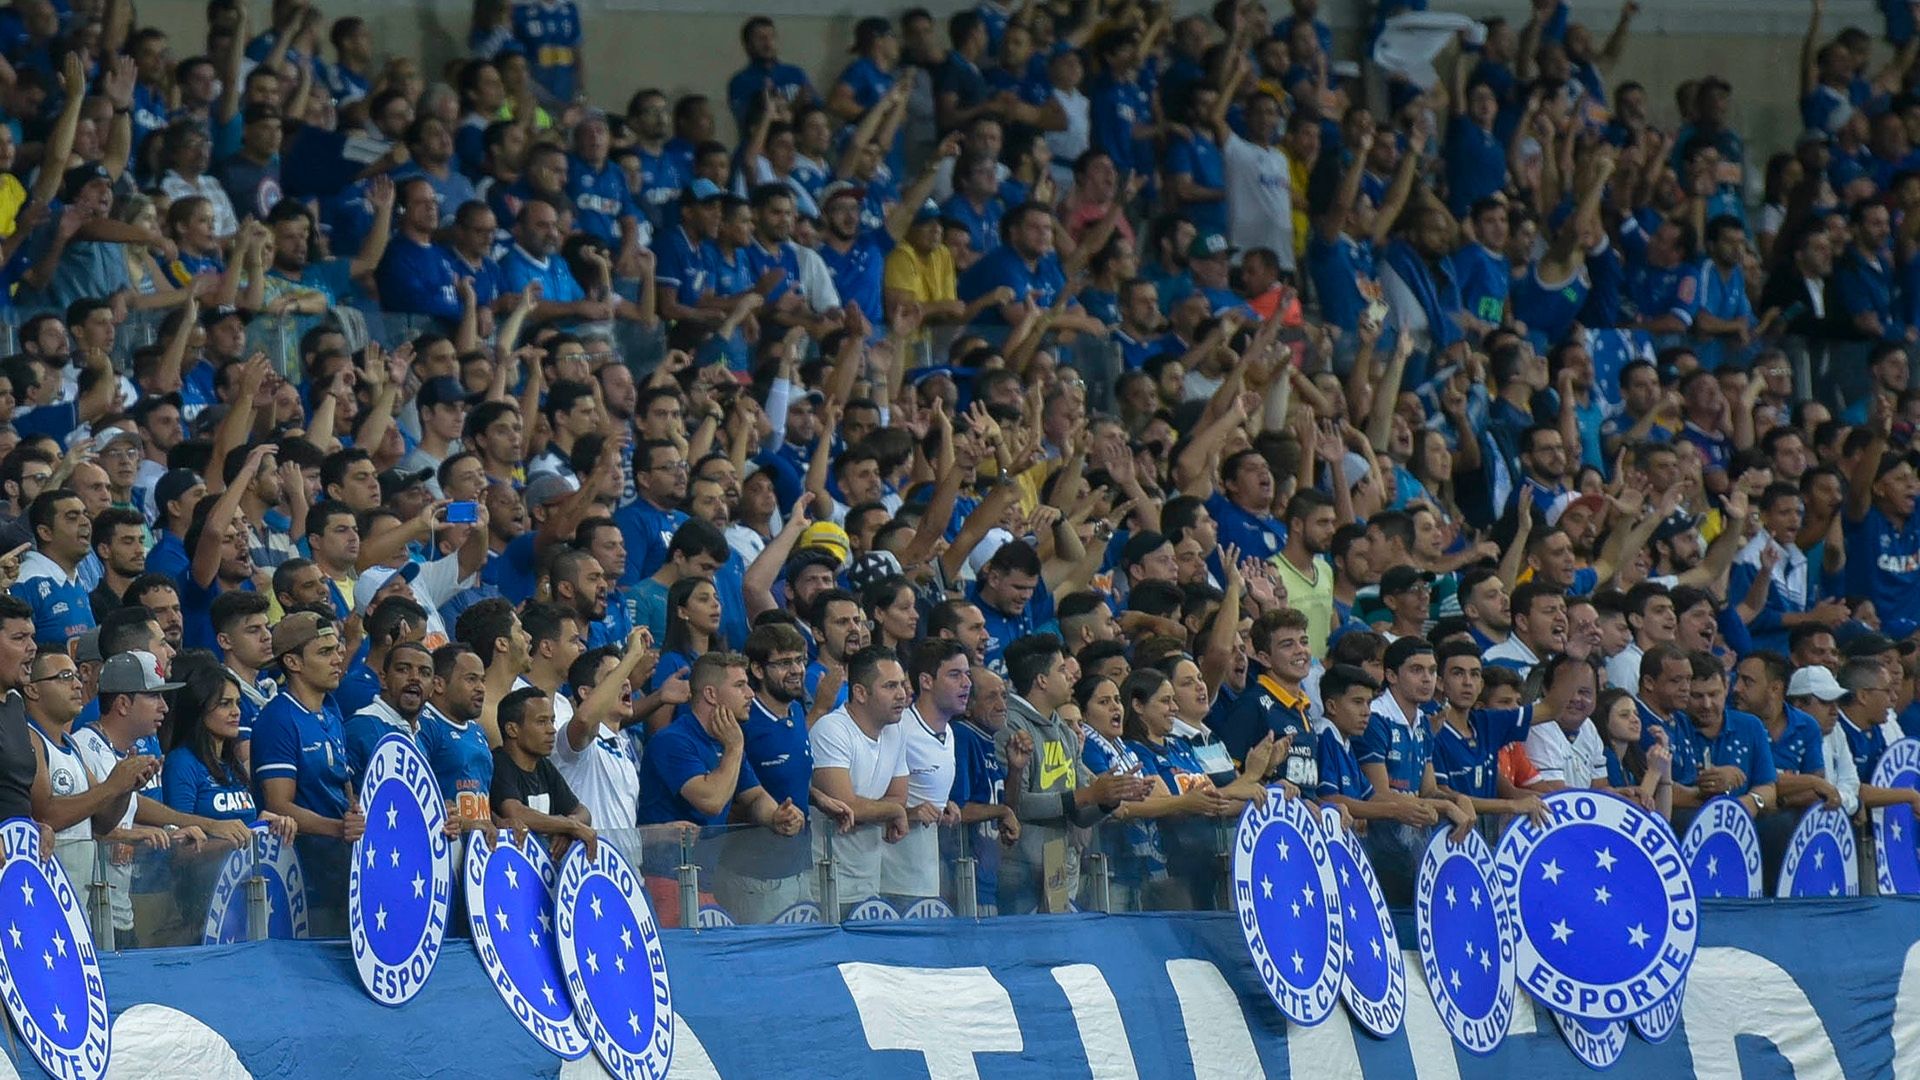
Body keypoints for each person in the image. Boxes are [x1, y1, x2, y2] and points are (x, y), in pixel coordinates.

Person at [996, 634, 1149, 912]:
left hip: (1057, 859)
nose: (1070, 677)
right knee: (1024, 938)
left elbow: (1079, 814)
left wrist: (1107, 799)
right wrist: (1087, 795)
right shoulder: (1010, 727)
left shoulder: (1065, 732)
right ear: (1042, 680)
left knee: (1056, 936)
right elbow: (1016, 805)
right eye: (1061, 670)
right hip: (1017, 864)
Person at [251, 612, 365, 932]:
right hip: (305, 882)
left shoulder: (330, 709)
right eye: (325, 652)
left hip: (342, 870)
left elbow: (342, 780)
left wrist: (354, 810)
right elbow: (278, 805)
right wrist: (338, 829)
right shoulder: (278, 719)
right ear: (293, 662)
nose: (338, 659)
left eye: (337, 649)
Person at [808, 645, 912, 913]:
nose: (902, 694)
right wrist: (891, 810)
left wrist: (887, 809)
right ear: (860, 693)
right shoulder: (832, 730)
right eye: (890, 686)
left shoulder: (896, 730)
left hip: (870, 879)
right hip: (827, 881)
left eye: (902, 684)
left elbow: (899, 796)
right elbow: (845, 806)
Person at [488, 686, 597, 855]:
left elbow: (583, 812)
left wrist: (567, 829)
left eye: (552, 721)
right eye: (541, 721)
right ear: (512, 729)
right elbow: (515, 812)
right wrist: (570, 826)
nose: (552, 729)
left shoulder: (543, 766)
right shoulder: (499, 763)